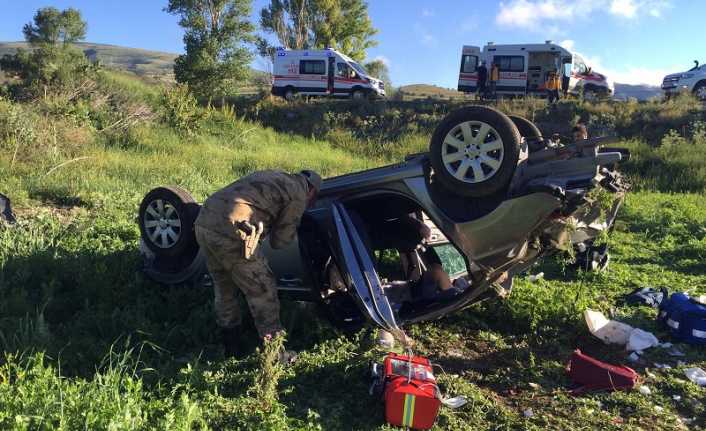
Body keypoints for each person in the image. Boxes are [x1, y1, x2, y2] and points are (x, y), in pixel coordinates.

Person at [195, 169, 321, 358]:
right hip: (233, 231)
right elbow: (280, 242)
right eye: (314, 198)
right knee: (263, 290)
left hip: (204, 221)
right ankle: (275, 353)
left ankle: (231, 347)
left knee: (224, 287)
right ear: (311, 190)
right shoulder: (298, 193)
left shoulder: (275, 174)